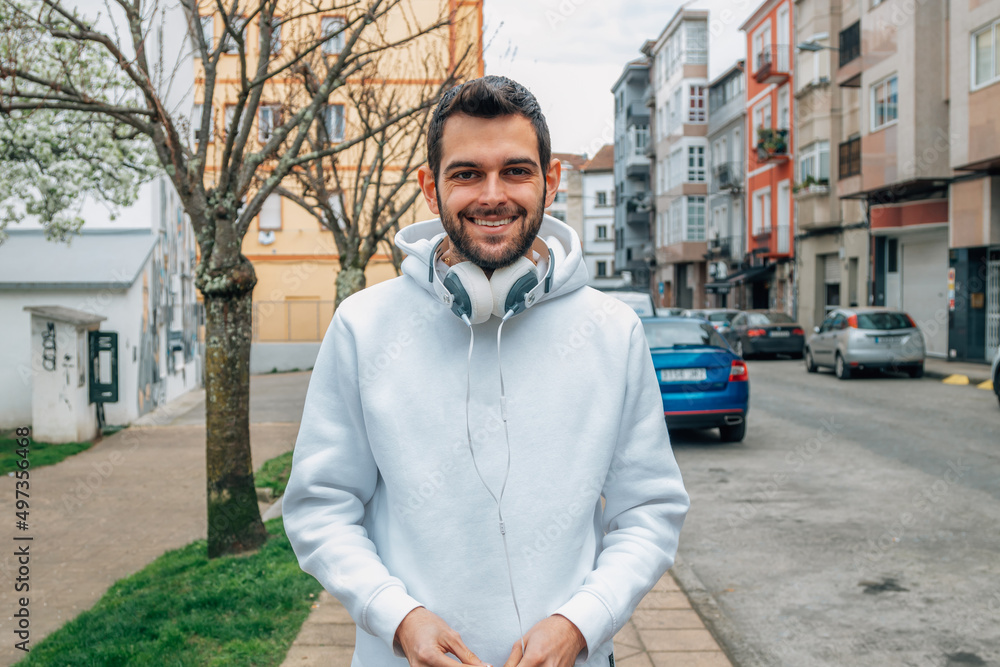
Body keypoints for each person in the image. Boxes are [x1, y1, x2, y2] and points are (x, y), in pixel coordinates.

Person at [282, 75, 689, 667]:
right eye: (467, 173)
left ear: (550, 181)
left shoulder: (612, 331)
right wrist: (398, 619)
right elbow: (321, 505)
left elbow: (649, 512)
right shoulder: (363, 326)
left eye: (517, 171)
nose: (492, 195)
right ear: (430, 187)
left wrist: (582, 622)